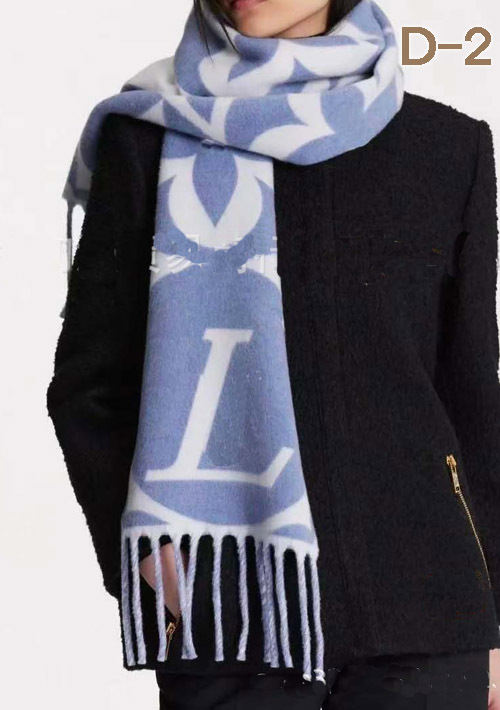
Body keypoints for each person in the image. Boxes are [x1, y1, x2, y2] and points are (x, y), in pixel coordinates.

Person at [46, 0, 500, 707]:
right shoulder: (146, 141)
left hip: (431, 620)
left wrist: (494, 614)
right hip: (228, 621)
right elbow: (89, 391)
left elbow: (473, 399)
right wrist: (156, 574)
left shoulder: (446, 148)